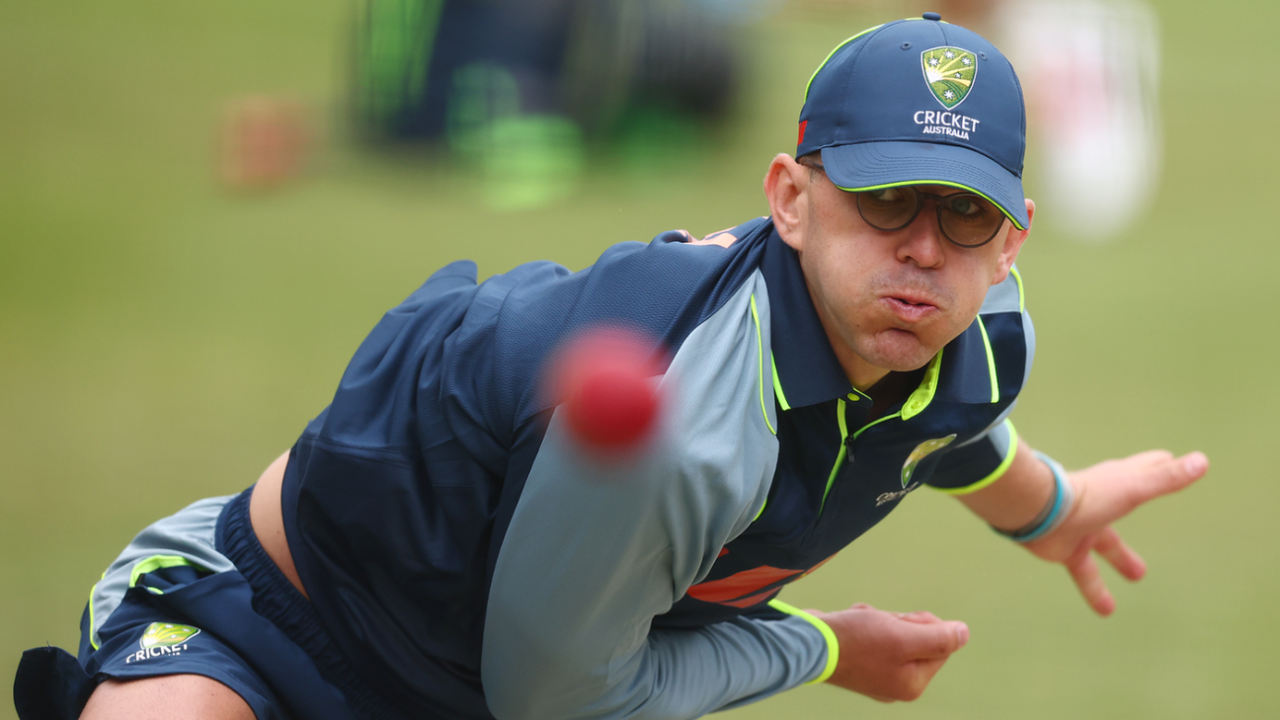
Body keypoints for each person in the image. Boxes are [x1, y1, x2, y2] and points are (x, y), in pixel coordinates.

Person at [15, 14, 1206, 720]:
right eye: (885, 201)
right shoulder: (684, 428)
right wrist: (829, 649)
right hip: (271, 625)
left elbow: (946, 425)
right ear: (790, 200)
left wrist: (1048, 509)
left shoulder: (977, 335)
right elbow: (564, 700)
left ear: (1011, 246)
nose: (923, 251)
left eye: (964, 215)